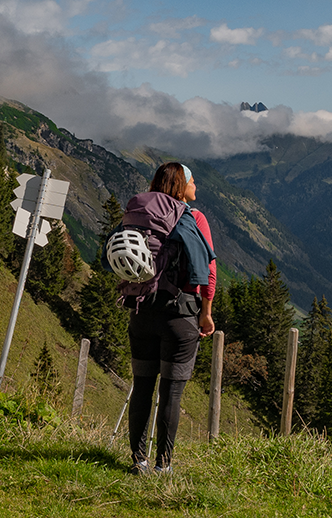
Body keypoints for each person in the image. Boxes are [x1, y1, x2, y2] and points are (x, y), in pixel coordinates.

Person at [124, 161, 216, 475]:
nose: (196, 186)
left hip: (142, 310)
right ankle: (164, 466)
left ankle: (138, 462)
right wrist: (206, 313)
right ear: (181, 185)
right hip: (181, 315)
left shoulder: (142, 213)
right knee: (171, 393)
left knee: (142, 387)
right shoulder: (193, 217)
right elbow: (209, 272)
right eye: (193, 180)